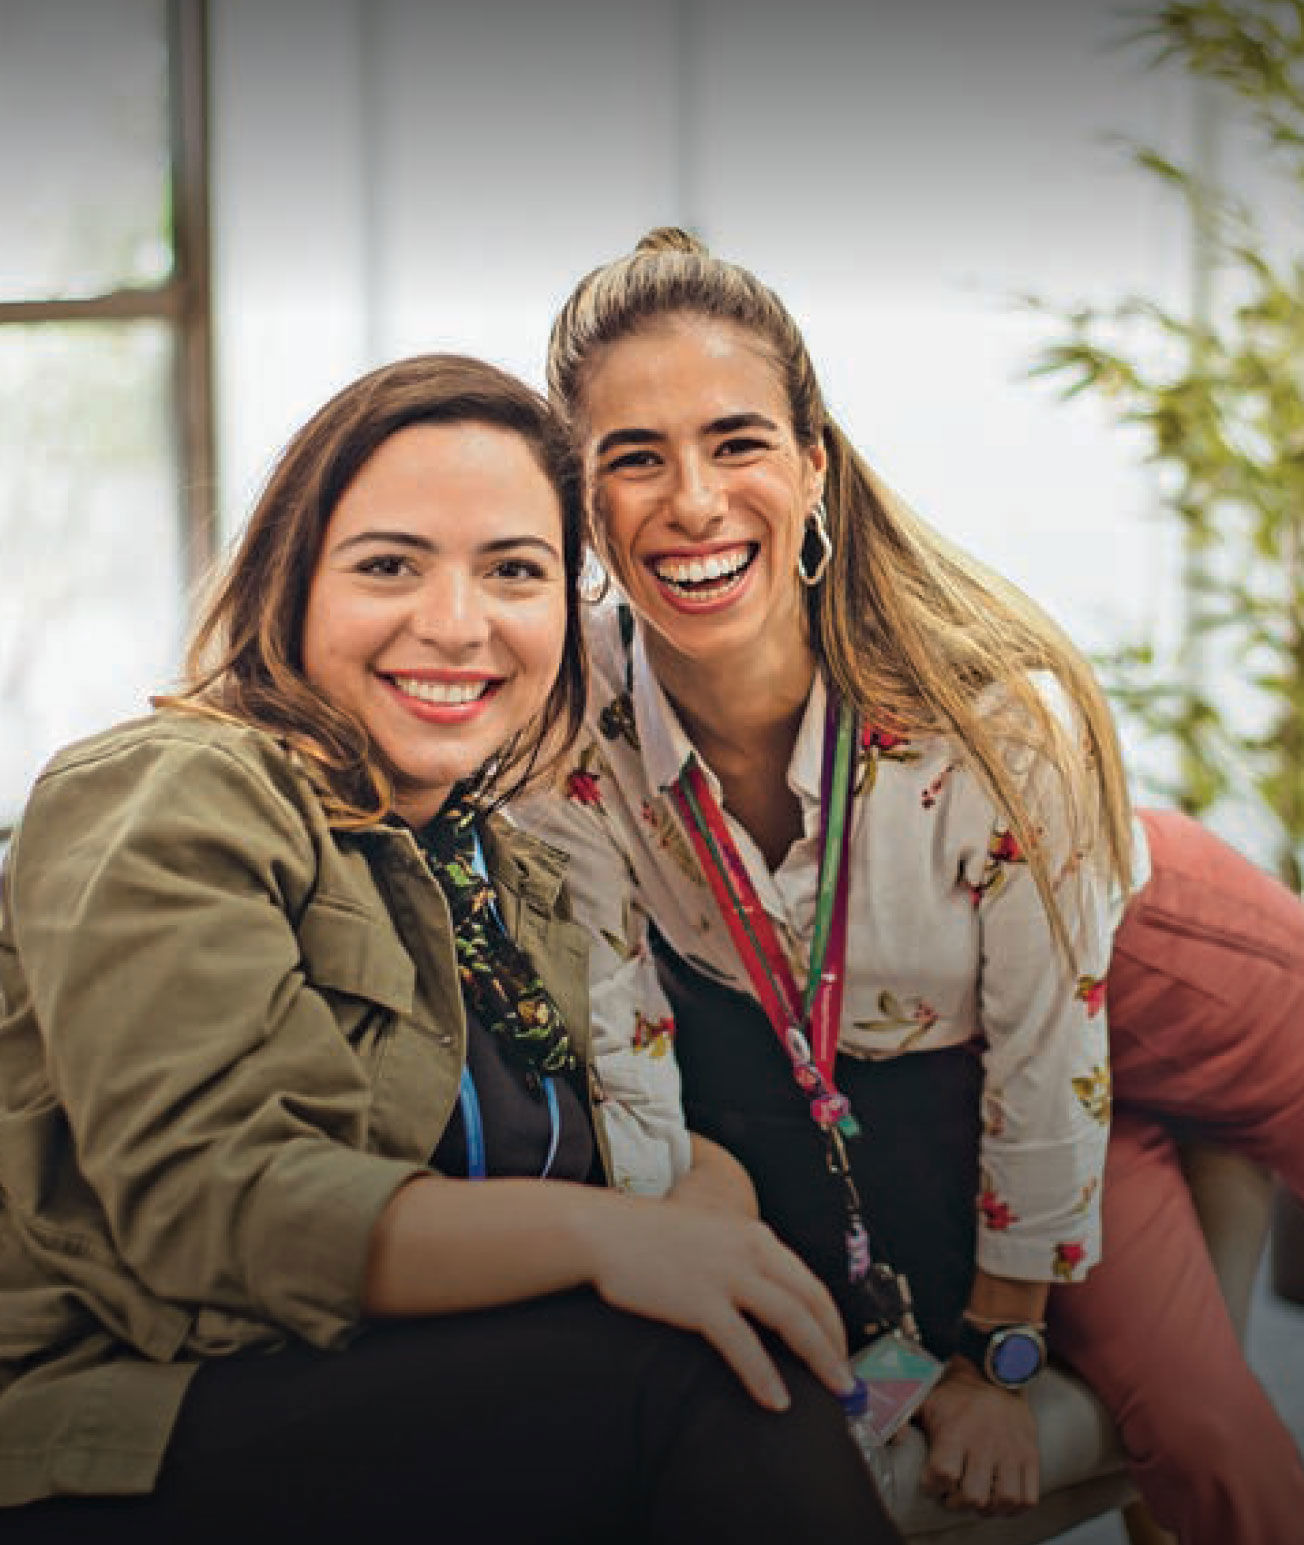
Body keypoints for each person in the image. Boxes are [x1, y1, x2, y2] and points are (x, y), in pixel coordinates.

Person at [0, 354, 903, 1545]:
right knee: (680, 1375)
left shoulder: (502, 868)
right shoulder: (174, 795)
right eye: (389, 566)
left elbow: (620, 1149)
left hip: (419, 1396)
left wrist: (696, 1207)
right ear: (294, 582)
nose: (455, 624)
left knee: (720, 1333)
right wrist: (612, 1237)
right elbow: (217, 1206)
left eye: (514, 572)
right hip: (138, 1423)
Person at [513, 228, 1304, 1544]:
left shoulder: (994, 715)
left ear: (816, 468)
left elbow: (1062, 1046)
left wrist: (1002, 1361)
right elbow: (649, 1100)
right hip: (981, 1050)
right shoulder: (567, 738)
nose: (694, 500)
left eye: (737, 442)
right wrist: (918, 1378)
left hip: (1166, 957)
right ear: (577, 505)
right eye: (633, 457)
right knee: (1209, 1435)